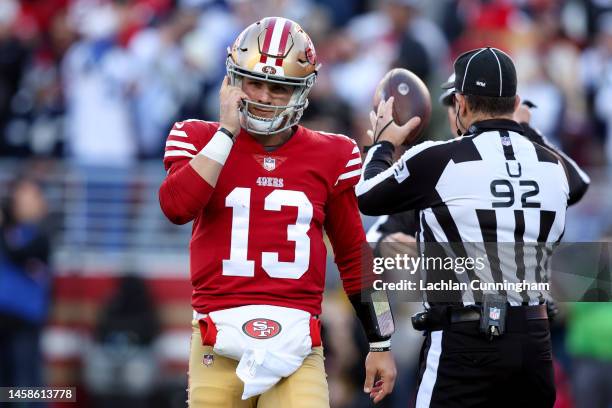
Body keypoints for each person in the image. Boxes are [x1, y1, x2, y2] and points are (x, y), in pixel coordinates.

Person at [158, 17, 396, 407]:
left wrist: (381, 339)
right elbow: (175, 207)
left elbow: (355, 255)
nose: (265, 97)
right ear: (233, 80)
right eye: (255, 82)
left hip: (298, 342)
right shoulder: (198, 137)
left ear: (302, 91)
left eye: (279, 87)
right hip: (217, 337)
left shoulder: (332, 153)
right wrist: (226, 134)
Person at [356, 47, 590, 407]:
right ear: (513, 102)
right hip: (533, 339)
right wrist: (529, 131)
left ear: (461, 106)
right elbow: (578, 183)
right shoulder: (548, 166)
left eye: (455, 103)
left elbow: (366, 204)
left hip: (464, 340)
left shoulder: (435, 162)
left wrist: (383, 143)